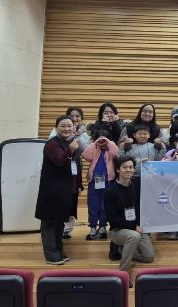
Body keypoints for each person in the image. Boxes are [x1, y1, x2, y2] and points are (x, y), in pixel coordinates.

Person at [105, 155, 155, 284]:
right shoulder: (110, 191)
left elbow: (156, 179)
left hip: (136, 228)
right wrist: (133, 227)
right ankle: (124, 274)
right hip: (118, 230)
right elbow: (113, 219)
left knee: (148, 257)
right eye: (125, 167)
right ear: (118, 170)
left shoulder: (137, 185)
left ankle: (121, 249)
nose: (128, 170)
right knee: (133, 236)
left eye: (131, 167)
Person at [36, 115, 78, 265]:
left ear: (73, 128)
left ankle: (58, 251)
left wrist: (77, 186)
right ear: (56, 128)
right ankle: (51, 255)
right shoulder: (52, 144)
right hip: (51, 192)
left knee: (59, 223)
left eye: (69, 126)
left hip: (64, 191)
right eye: (63, 126)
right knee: (49, 223)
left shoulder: (67, 143)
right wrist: (71, 150)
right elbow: (60, 161)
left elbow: (73, 167)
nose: (67, 129)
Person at [48, 106, 90, 239]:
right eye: (72, 116)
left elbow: (86, 150)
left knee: (72, 199)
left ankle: (67, 229)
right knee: (60, 202)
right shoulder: (57, 131)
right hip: (59, 171)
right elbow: (54, 143)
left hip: (74, 168)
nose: (75, 118)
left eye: (78, 116)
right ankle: (56, 230)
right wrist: (72, 134)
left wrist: (79, 136)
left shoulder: (83, 133)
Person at [82, 129, 118, 241]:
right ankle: (93, 227)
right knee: (93, 205)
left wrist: (109, 142)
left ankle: (102, 227)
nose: (102, 141)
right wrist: (95, 143)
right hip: (94, 182)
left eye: (104, 139)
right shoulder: (94, 148)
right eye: (99, 138)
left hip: (108, 182)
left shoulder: (110, 149)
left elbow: (116, 154)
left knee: (104, 206)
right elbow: (85, 155)